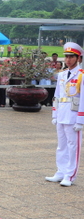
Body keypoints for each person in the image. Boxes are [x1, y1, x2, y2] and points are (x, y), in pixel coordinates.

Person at [47, 42, 84, 187]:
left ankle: (70, 175)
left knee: (73, 146)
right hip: (62, 114)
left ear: (78, 58)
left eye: (72, 57)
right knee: (61, 146)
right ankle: (61, 171)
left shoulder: (81, 75)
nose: (68, 60)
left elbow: (83, 99)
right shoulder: (62, 75)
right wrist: (54, 114)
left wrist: (81, 120)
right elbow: (57, 96)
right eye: (67, 56)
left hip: (74, 116)